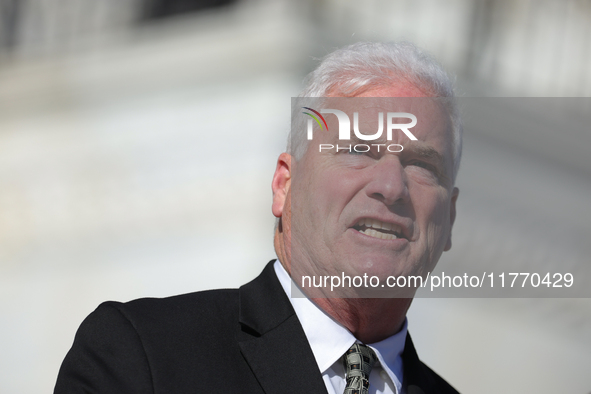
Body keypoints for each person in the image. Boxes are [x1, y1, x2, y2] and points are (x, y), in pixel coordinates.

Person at [55, 42, 461, 394]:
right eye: (358, 150)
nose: (391, 186)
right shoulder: (143, 355)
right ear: (284, 185)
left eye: (423, 166)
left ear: (450, 217)